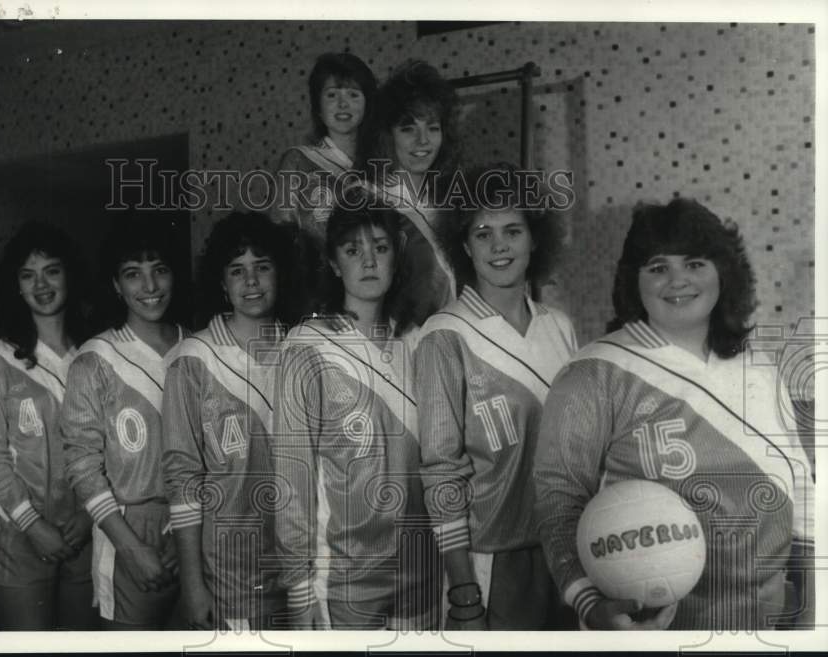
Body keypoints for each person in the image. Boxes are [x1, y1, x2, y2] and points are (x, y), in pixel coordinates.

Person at [534, 199, 815, 631]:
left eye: (695, 263)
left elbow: (803, 494)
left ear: (723, 271)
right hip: (655, 625)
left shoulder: (758, 367)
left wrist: (812, 608)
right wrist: (589, 603)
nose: (677, 280)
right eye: (658, 267)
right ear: (635, 280)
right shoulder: (593, 372)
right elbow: (558, 499)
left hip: (769, 618)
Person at [415, 166, 577, 629]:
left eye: (513, 231)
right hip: (493, 561)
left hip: (569, 551)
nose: (499, 246)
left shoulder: (559, 326)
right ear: (465, 246)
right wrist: (464, 592)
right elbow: (441, 471)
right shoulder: (446, 334)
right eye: (483, 233)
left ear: (535, 238)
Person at [272, 195, 439, 630]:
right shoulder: (306, 346)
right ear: (333, 262)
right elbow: (292, 476)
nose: (368, 261)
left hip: (421, 571)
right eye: (352, 250)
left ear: (396, 256)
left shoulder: (419, 342)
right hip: (345, 576)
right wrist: (299, 586)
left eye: (380, 248)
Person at [161, 211, 294, 631]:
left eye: (262, 267)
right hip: (231, 571)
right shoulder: (193, 360)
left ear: (280, 273)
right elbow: (183, 478)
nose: (251, 281)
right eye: (237, 270)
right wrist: (193, 584)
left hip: (301, 563)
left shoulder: (304, 349)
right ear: (221, 282)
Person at [60, 216, 185, 630]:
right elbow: (82, 465)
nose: (149, 286)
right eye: (133, 274)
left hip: (195, 525)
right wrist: (130, 548)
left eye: (159, 269)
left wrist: (186, 535)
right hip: (127, 527)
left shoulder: (198, 348)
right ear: (116, 284)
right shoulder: (96, 358)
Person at [0, 222, 97, 629]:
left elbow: (108, 448)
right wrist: (34, 525)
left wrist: (89, 515)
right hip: (19, 530)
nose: (41, 285)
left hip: (85, 530)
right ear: (16, 287)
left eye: (51, 271)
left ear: (70, 276)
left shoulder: (96, 353)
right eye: (28, 275)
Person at [274, 52, 378, 318]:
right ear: (318, 107)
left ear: (368, 103)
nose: (343, 104)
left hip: (377, 300)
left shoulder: (383, 166)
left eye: (353, 94)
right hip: (317, 304)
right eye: (332, 95)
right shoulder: (297, 162)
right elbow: (281, 245)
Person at [358, 58, 461, 327]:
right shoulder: (365, 200)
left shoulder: (449, 202)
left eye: (433, 128)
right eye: (408, 128)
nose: (423, 140)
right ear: (387, 134)